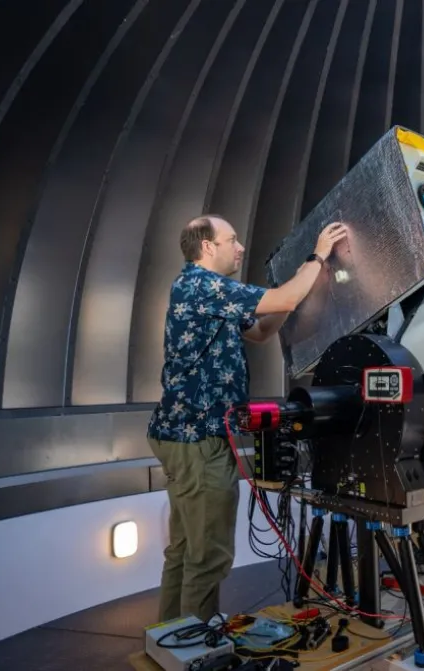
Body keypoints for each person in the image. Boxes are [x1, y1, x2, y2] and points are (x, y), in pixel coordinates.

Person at [146, 213, 347, 624]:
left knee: (184, 550)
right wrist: (318, 257)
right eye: (232, 240)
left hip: (182, 437)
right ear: (207, 247)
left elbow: (260, 330)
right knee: (209, 554)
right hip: (198, 439)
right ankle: (197, 649)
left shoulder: (203, 291)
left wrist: (298, 286)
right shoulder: (203, 285)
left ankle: (168, 639)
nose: (240, 247)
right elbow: (284, 299)